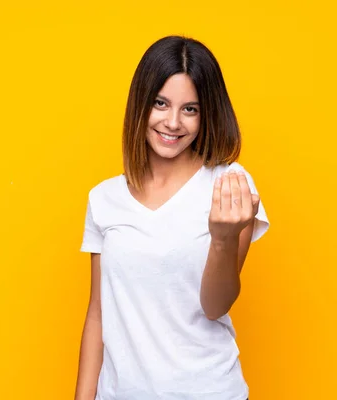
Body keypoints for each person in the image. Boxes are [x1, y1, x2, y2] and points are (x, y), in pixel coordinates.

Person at [74, 35, 269, 400]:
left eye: (190, 109)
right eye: (161, 104)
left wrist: (224, 238)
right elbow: (98, 313)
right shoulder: (104, 199)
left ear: (206, 112)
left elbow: (215, 306)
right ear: (141, 104)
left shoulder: (228, 185)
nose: (173, 122)